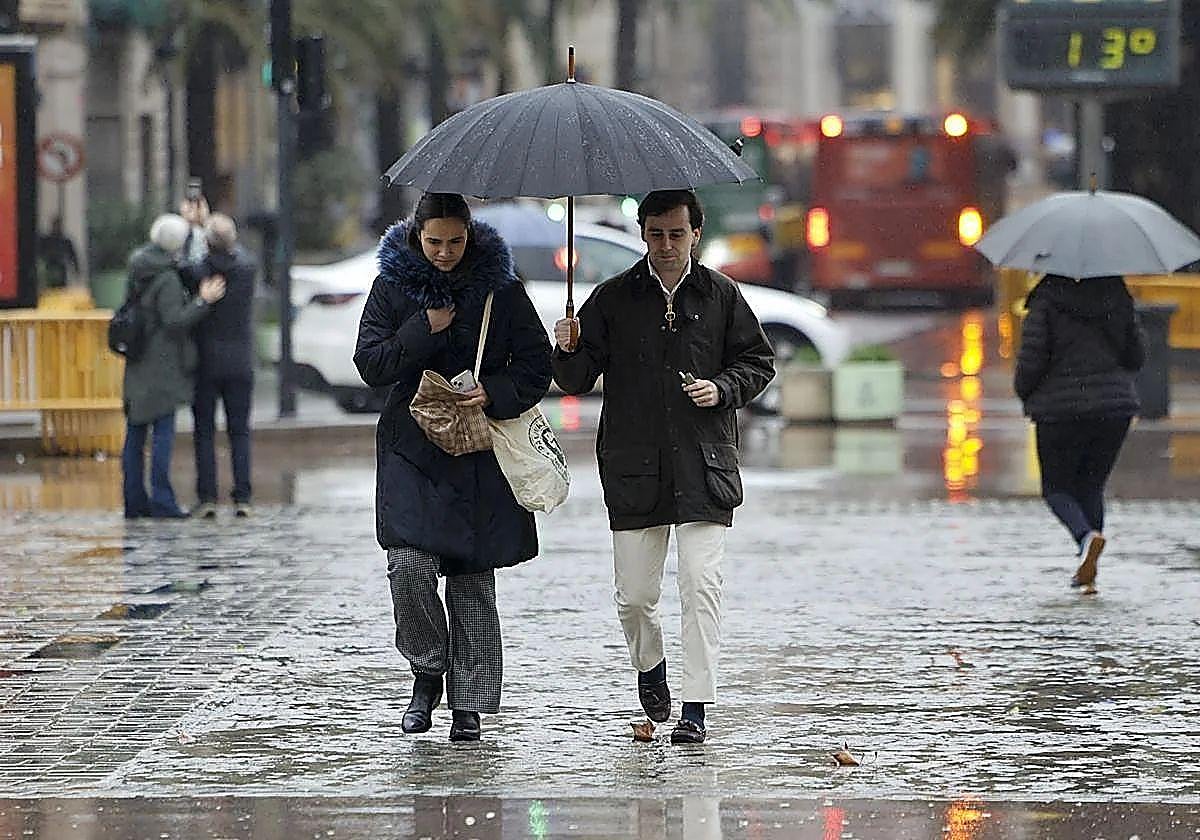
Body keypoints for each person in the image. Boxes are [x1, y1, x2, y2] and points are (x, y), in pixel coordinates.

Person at [551, 189, 775, 744]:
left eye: (677, 234)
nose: (667, 245)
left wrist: (722, 388)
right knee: (633, 596)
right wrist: (568, 346)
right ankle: (650, 666)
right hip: (634, 466)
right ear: (643, 234)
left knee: (701, 585)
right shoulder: (613, 298)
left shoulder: (721, 294)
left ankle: (696, 705)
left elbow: (758, 361)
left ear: (696, 232)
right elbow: (575, 380)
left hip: (705, 463)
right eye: (656, 234)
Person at [353, 193, 552, 742]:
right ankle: (427, 672)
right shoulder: (393, 285)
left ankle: (469, 704)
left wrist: (493, 391)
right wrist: (423, 327)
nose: (444, 253)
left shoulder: (500, 288)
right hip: (411, 450)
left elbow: (536, 365)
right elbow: (370, 363)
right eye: (434, 242)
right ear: (416, 236)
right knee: (407, 568)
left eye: (455, 242)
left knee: (472, 581)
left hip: (478, 451)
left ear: (470, 235)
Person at [1014, 273, 1145, 589]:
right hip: (1113, 408)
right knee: (1091, 486)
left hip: (1059, 410)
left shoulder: (1046, 300)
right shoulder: (1117, 294)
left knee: (1056, 488)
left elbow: (1032, 359)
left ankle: (1086, 538)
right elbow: (1135, 356)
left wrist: (1024, 391)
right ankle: (1089, 563)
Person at [121, 214, 226, 519]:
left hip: (138, 362)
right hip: (162, 366)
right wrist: (202, 302)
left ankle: (133, 500)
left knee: (135, 434)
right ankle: (163, 501)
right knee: (162, 434)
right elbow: (174, 321)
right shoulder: (166, 278)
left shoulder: (138, 267)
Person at [183, 213, 257, 519]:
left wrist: (195, 228)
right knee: (239, 432)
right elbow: (241, 254)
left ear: (207, 243)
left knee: (204, 432)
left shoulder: (199, 272)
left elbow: (186, 263)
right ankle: (243, 497)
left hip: (206, 362)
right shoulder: (247, 269)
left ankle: (208, 497)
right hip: (240, 362)